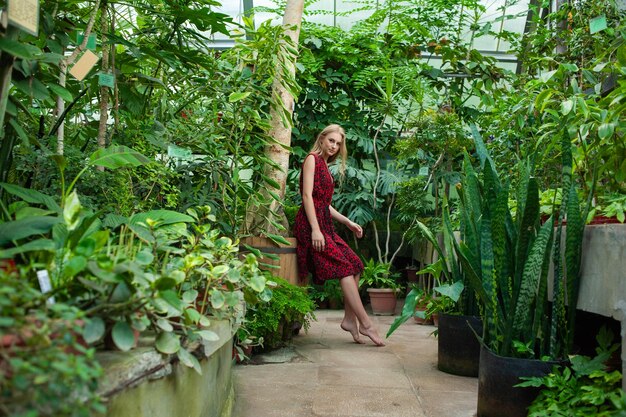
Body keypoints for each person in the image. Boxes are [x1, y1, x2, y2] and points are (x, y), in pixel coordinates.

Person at [294, 124, 385, 347]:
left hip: (324, 224)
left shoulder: (325, 164)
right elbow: (307, 197)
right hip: (310, 224)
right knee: (345, 269)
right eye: (331, 141)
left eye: (338, 143)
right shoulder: (312, 159)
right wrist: (315, 229)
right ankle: (366, 323)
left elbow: (324, 204)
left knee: (355, 265)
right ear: (322, 138)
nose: (334, 146)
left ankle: (349, 319)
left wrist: (348, 222)